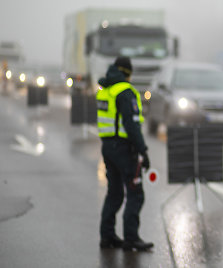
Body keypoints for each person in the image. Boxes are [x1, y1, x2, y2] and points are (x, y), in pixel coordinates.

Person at [97, 56, 154, 251]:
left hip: (107, 147)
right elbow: (131, 125)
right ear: (128, 72)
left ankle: (107, 236)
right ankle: (131, 238)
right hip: (123, 149)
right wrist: (143, 150)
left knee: (114, 194)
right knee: (135, 194)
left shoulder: (106, 90)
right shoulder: (126, 92)